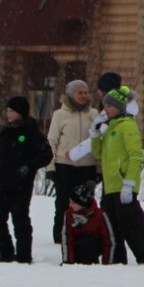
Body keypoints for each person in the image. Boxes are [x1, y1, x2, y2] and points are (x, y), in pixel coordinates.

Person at [91, 85, 144, 265]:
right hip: (110, 186)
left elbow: (136, 156)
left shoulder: (127, 126)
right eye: (105, 106)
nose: (106, 109)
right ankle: (117, 262)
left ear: (120, 107)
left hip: (123, 186)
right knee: (112, 228)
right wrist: (95, 134)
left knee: (130, 225)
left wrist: (129, 183)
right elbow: (97, 153)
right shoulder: (111, 128)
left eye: (110, 106)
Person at [0, 97, 52, 263]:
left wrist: (29, 167)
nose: (8, 114)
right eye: (7, 111)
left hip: (19, 186)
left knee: (20, 221)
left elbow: (46, 154)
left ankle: (23, 256)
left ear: (21, 113)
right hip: (0, 185)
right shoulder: (5, 132)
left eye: (11, 111)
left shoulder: (31, 133)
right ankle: (6, 252)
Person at [45, 79, 99, 244]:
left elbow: (100, 143)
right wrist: (50, 166)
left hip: (87, 166)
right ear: (70, 95)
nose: (83, 95)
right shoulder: (59, 115)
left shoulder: (94, 114)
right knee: (63, 203)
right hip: (64, 166)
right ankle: (61, 235)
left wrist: (100, 169)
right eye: (79, 92)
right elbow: (51, 141)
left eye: (85, 92)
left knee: (86, 203)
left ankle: (85, 234)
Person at [60, 180, 113, 265]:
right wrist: (67, 262)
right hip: (76, 253)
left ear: (82, 203)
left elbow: (108, 241)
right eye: (69, 201)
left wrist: (107, 264)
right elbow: (66, 239)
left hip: (93, 250)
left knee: (89, 242)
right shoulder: (69, 214)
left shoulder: (100, 215)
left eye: (73, 202)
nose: (70, 205)